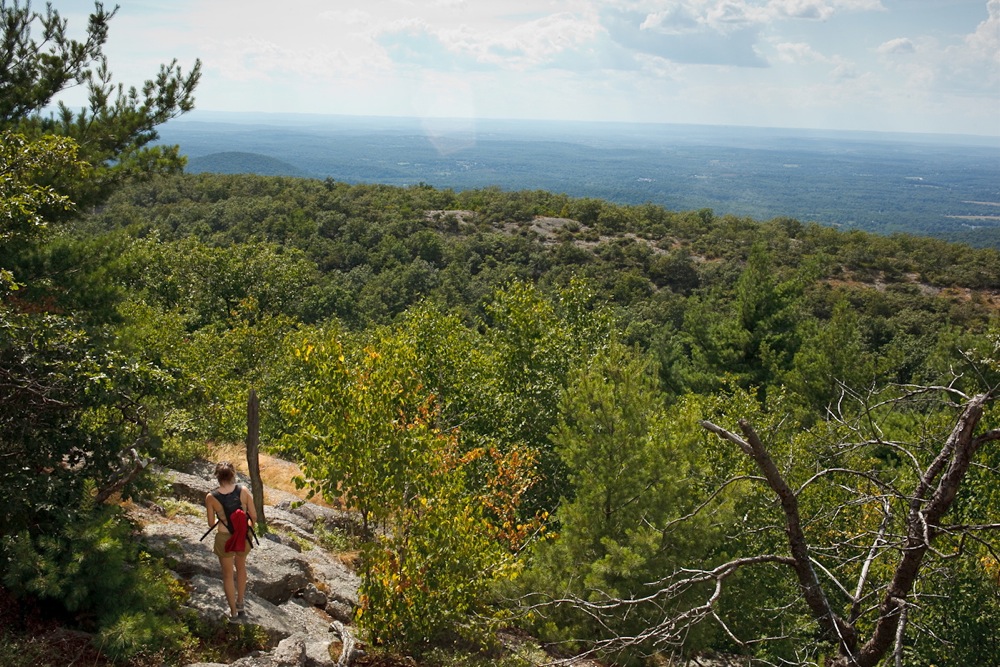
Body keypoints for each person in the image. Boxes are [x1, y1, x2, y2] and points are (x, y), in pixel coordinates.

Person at [205, 461, 257, 620]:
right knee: (241, 568)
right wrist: (246, 527)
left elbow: (210, 523)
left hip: (223, 537)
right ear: (233, 474)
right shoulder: (244, 490)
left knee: (227, 575)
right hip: (242, 536)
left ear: (217, 476)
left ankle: (233, 611)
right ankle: (241, 603)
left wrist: (222, 520)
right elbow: (253, 516)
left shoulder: (211, 497)